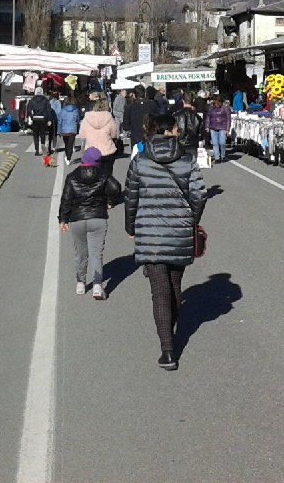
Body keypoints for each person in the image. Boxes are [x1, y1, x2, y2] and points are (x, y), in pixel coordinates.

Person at [125, 113, 206, 370]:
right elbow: (200, 195)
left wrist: (130, 227)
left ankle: (167, 350)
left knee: (159, 291)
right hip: (180, 229)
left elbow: (131, 196)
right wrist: (190, 219)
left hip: (149, 231)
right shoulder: (187, 158)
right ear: (173, 130)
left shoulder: (140, 159)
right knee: (174, 284)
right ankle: (170, 329)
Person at [59, 146, 124, 300]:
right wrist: (110, 202)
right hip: (98, 217)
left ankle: (81, 283)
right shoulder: (103, 174)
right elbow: (116, 188)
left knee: (80, 253)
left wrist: (63, 219)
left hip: (77, 219)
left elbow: (66, 199)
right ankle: (97, 285)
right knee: (96, 253)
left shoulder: (72, 176)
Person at [78, 97, 119, 177]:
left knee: (93, 176)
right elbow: (114, 134)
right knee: (108, 175)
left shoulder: (87, 118)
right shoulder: (109, 117)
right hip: (107, 150)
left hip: (91, 151)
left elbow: (82, 134)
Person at [25, 87, 52, 157]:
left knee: (35, 135)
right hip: (43, 119)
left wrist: (31, 116)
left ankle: (37, 150)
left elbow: (28, 110)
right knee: (43, 134)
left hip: (35, 119)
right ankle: (43, 145)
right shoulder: (46, 100)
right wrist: (49, 119)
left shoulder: (32, 100)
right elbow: (49, 110)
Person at [206, 94, 232, 164]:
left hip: (222, 127)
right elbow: (208, 117)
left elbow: (228, 119)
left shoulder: (226, 107)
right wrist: (207, 126)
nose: (216, 105)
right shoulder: (211, 107)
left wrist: (227, 129)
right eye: (215, 103)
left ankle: (223, 155)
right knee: (215, 143)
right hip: (213, 127)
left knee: (222, 142)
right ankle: (217, 157)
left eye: (218, 103)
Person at [56, 95, 81, 164]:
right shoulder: (76, 110)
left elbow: (60, 121)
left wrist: (59, 131)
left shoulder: (63, 110)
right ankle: (68, 158)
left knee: (66, 144)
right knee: (70, 144)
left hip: (64, 130)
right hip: (73, 129)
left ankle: (67, 155)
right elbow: (78, 119)